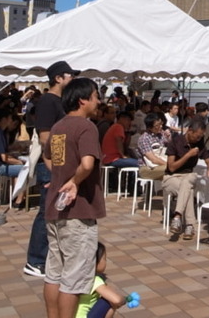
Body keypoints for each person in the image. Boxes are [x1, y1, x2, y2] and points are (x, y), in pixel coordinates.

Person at [43, 77, 106, 318]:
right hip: (78, 211)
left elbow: (48, 158)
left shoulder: (58, 126)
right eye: (95, 96)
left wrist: (60, 176)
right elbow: (88, 163)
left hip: (55, 209)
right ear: (83, 100)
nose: (98, 101)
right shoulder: (86, 126)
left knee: (54, 274)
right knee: (73, 279)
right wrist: (74, 181)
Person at [24, 60, 79, 279]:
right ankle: (35, 260)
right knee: (47, 213)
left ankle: (47, 258)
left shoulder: (61, 102)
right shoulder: (48, 101)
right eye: (69, 75)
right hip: (51, 166)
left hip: (59, 165)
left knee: (57, 213)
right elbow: (46, 137)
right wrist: (57, 165)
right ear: (58, 78)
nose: (72, 79)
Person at [164, 118, 209, 241]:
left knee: (190, 178)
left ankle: (177, 216)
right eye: (196, 136)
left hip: (188, 176)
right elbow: (171, 167)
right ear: (190, 131)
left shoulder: (199, 144)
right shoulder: (175, 142)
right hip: (172, 177)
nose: (198, 139)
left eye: (200, 137)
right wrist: (188, 155)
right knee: (188, 190)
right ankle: (190, 225)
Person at [75, 243, 126, 318]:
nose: (106, 262)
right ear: (95, 262)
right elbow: (116, 300)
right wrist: (124, 299)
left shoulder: (77, 276)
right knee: (109, 301)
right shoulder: (94, 280)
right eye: (104, 259)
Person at [136, 114, 167, 181]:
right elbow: (153, 159)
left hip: (160, 165)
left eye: (161, 124)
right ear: (149, 127)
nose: (161, 127)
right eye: (157, 125)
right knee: (170, 169)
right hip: (147, 169)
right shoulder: (144, 138)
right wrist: (169, 165)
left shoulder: (161, 135)